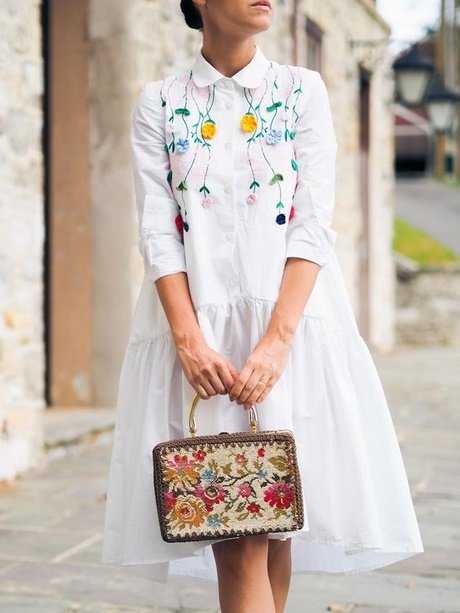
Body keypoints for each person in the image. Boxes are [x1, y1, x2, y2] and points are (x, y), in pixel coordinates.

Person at [102, 1, 423, 611]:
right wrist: (190, 341)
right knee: (240, 534)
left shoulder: (302, 91)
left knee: (273, 533)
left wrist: (277, 342)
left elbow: (312, 224)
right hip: (200, 339)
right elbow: (157, 233)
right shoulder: (160, 102)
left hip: (292, 331)